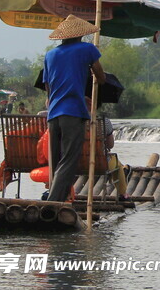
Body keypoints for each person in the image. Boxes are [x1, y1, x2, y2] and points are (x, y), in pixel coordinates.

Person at [43, 15, 106, 202]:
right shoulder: (87, 48)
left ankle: (59, 200)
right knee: (69, 160)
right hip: (73, 111)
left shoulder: (50, 55)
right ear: (80, 35)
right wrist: (92, 73)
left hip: (53, 112)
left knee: (56, 161)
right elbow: (101, 77)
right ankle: (53, 203)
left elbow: (48, 87)